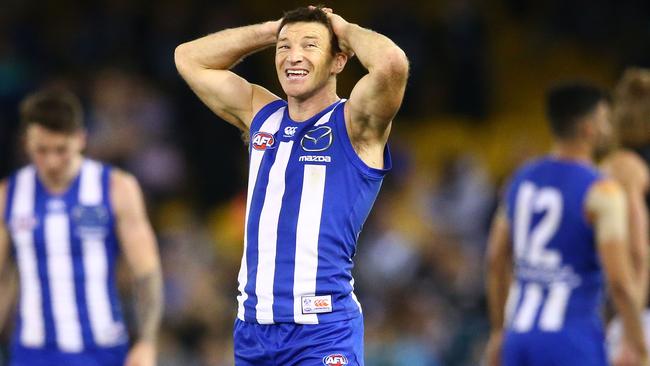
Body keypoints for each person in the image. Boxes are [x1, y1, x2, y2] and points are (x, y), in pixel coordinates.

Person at [175, 5, 408, 365]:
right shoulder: (261, 113)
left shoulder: (355, 123)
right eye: (285, 48)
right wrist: (273, 30)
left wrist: (342, 28)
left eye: (310, 46)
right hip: (253, 330)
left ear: (339, 61)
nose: (293, 56)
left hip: (323, 330)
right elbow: (189, 58)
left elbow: (392, 63)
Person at [485, 82, 648, 366]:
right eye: (605, 120)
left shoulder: (521, 179)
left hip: (519, 336)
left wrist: (500, 331)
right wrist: (637, 342)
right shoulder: (602, 191)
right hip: (572, 338)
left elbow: (495, 260)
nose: (609, 128)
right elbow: (620, 282)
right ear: (589, 128)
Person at [0, 88, 163, 366]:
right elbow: (3, 277)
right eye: (41, 150)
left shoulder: (116, 188)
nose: (51, 161)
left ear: (80, 139)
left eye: (61, 150)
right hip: (32, 350)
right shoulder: (8, 195)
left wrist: (147, 343)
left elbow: (146, 272)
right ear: (26, 142)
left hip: (101, 349)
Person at [605, 68, 650, 361]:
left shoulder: (607, 169)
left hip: (627, 309)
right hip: (639, 311)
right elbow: (638, 250)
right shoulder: (632, 171)